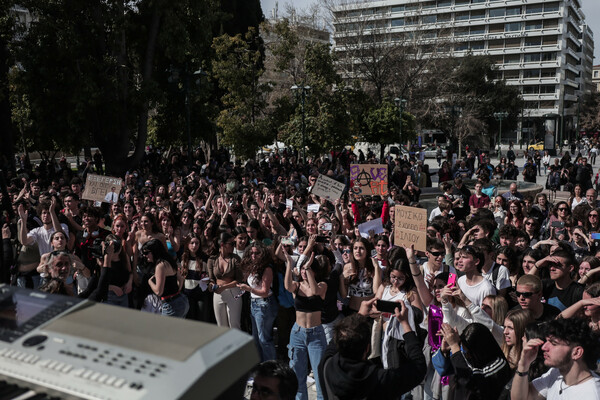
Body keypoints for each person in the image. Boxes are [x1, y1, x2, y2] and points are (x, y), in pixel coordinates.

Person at [318, 298, 427, 400]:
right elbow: (419, 368)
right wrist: (405, 324)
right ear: (367, 348)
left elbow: (335, 343)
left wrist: (360, 315)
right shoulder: (379, 379)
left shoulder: (326, 366)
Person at [283, 235, 327, 400]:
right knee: (297, 375)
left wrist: (307, 268)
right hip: (298, 334)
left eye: (307, 269)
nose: (302, 271)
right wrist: (289, 263)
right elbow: (287, 285)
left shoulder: (322, 285)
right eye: (301, 269)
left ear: (313, 270)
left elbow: (314, 291)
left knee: (319, 375)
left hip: (316, 335)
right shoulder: (297, 286)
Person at [511, 317, 600, 399]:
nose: (543, 347)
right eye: (547, 341)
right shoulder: (555, 374)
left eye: (554, 343)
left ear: (576, 352)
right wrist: (523, 365)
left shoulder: (592, 395)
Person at [439, 322, 513, 400]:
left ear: (481, 349)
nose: (467, 356)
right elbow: (454, 373)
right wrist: (448, 350)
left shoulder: (499, 364)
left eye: (469, 353)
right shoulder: (474, 359)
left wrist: (454, 346)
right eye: (465, 352)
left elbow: (469, 382)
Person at [238, 243, 279, 362]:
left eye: (257, 253)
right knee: (256, 338)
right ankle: (261, 365)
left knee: (264, 339)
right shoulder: (252, 267)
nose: (254, 255)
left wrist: (248, 289)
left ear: (262, 254)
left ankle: (271, 366)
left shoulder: (267, 269)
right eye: (251, 253)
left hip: (264, 304)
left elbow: (265, 291)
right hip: (254, 303)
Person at [142, 239, 189, 318]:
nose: (144, 255)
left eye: (146, 253)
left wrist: (150, 282)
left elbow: (158, 292)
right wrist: (176, 292)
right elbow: (181, 279)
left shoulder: (160, 266)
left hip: (171, 305)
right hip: (181, 301)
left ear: (154, 252)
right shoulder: (169, 260)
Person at [207, 232, 244, 329]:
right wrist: (211, 285)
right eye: (231, 244)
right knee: (221, 327)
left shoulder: (235, 259)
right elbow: (211, 279)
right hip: (218, 294)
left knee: (234, 325)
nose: (234, 246)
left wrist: (224, 287)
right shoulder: (212, 259)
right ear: (222, 244)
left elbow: (239, 280)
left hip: (233, 292)